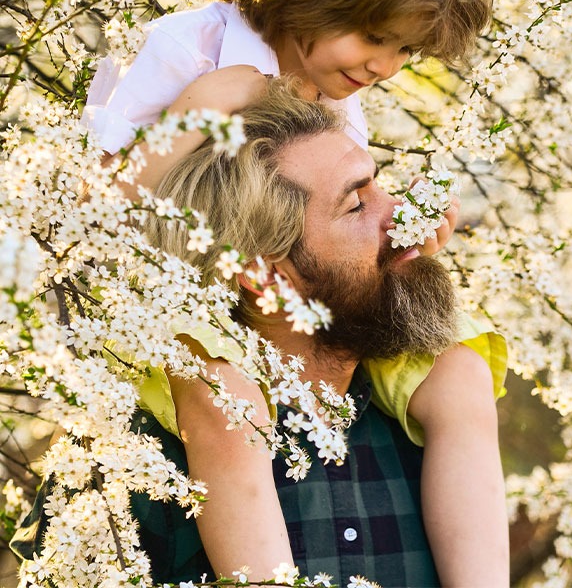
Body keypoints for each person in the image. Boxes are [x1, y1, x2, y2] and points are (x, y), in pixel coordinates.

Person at [81, 0, 508, 586]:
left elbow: (338, 209)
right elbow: (105, 208)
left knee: (461, 374)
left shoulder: (336, 91)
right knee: (227, 408)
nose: (387, 66)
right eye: (377, 36)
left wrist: (402, 234)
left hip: (298, 305)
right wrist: (205, 108)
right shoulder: (194, 51)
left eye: (406, 49)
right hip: (195, 306)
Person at [134, 81, 506, 586]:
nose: (404, 217)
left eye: (380, 184)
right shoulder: (144, 465)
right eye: (356, 206)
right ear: (267, 276)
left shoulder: (435, 424)